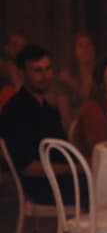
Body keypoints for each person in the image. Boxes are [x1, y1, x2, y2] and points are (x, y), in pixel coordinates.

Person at [0, 45, 88, 207]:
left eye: (48, 69)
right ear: (22, 73)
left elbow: (64, 149)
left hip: (63, 179)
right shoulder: (15, 111)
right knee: (99, 187)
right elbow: (28, 168)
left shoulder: (49, 110)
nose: (44, 75)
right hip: (42, 187)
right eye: (37, 70)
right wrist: (74, 168)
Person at [54, 33, 96, 129]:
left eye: (88, 45)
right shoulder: (65, 79)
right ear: (75, 51)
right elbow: (65, 115)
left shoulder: (102, 74)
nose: (85, 50)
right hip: (75, 128)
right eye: (80, 46)